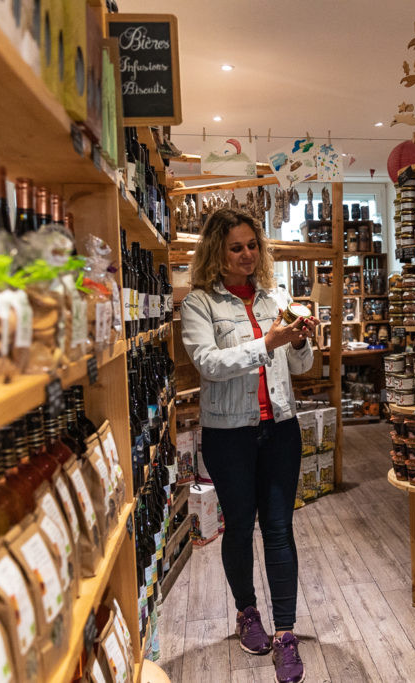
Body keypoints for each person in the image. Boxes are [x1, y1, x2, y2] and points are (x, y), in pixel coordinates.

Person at [181, 208, 317, 683]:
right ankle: (246, 613)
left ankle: (285, 634)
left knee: (279, 530)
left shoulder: (275, 299)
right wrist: (268, 342)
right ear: (217, 252)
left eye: (252, 245)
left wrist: (299, 340)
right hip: (228, 435)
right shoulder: (199, 304)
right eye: (235, 247)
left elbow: (299, 369)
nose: (246, 255)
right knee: (239, 528)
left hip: (279, 428)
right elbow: (208, 363)